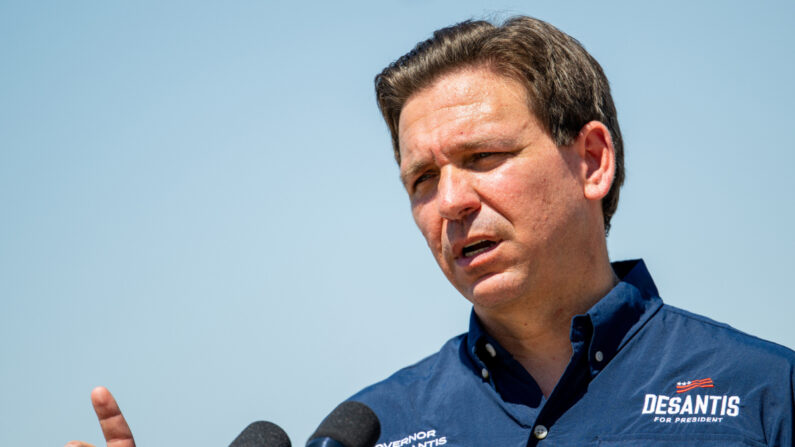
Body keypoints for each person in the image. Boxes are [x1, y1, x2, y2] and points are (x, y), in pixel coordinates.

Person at [66, 15, 794, 447]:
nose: (449, 201)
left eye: (482, 158)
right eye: (422, 179)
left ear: (592, 160)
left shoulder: (765, 392)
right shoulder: (373, 427)